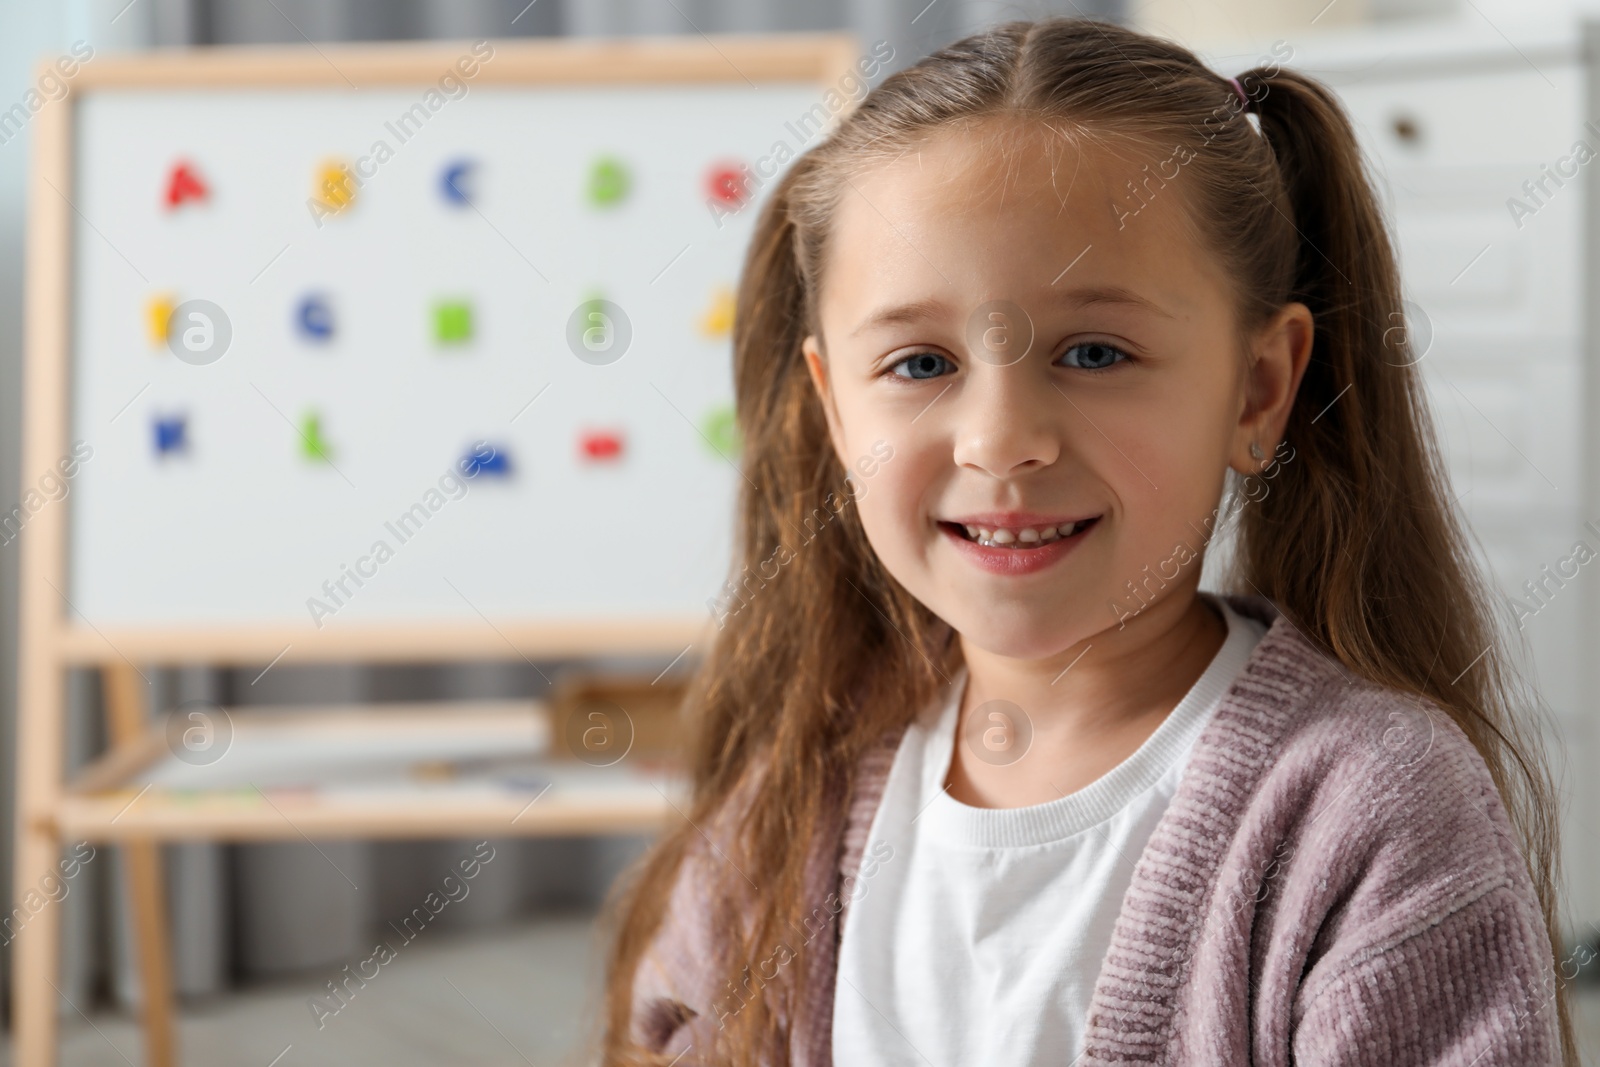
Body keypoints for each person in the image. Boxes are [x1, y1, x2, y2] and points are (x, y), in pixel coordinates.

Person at [597, 17, 1570, 1066]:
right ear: (835, 410)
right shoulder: (794, 803)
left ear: (1257, 389)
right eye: (920, 364)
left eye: (1094, 350)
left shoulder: (1372, 808)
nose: (1002, 439)